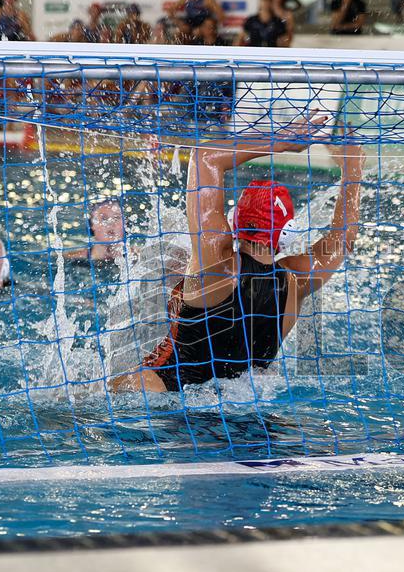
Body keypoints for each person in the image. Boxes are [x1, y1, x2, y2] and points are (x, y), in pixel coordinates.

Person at [108, 117, 365, 393]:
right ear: (287, 232)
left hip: (163, 404)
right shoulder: (297, 280)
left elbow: (205, 156)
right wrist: (352, 171)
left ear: (234, 222)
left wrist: (281, 141)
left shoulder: (216, 260)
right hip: (247, 421)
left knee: (120, 385)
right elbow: (343, 237)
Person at [65, 201, 129, 263]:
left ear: (125, 225)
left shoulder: (136, 257)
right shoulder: (73, 258)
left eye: (116, 218)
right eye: (104, 218)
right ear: (92, 225)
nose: (111, 223)